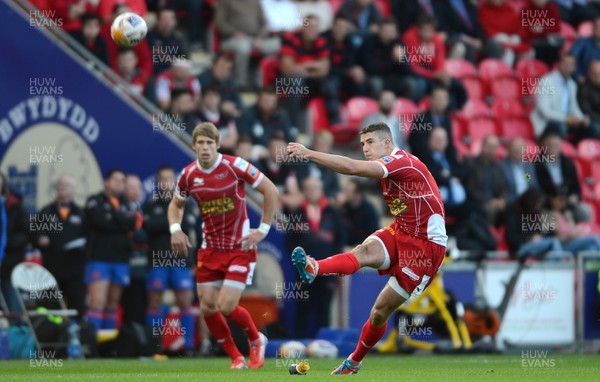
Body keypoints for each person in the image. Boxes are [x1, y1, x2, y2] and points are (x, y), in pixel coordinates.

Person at [286, 122, 447, 374]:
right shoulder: (393, 166)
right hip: (403, 229)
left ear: (387, 143)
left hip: (425, 246)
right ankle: (314, 267)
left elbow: (352, 168)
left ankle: (354, 361)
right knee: (363, 251)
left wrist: (309, 153)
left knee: (379, 312)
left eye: (370, 142)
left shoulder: (400, 162)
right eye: (362, 144)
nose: (365, 149)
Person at [169, 122, 279, 369]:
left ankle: (255, 338)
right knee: (208, 308)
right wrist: (175, 229)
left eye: (210, 143)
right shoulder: (188, 175)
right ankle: (236, 357)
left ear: (217, 145)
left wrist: (263, 229)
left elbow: (269, 189)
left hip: (239, 248)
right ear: (194, 145)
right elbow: (175, 205)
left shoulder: (234, 165)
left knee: (226, 305)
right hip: (210, 250)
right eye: (201, 143)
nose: (205, 147)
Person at [284, 177, 347, 338]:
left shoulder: (332, 212)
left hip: (327, 271)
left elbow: (341, 239)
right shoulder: (297, 213)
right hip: (303, 271)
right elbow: (289, 241)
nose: (312, 192)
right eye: (309, 188)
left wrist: (336, 265)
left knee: (324, 307)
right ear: (304, 191)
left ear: (321, 190)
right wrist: (300, 263)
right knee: (302, 308)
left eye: (315, 188)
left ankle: (322, 344)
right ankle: (298, 345)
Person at [144, 166, 197, 355]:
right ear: (157, 182)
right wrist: (174, 221)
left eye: (170, 178)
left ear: (175, 181)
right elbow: (149, 226)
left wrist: (194, 262)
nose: (166, 182)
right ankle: (153, 346)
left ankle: (189, 347)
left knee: (185, 302)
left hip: (181, 261)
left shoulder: (187, 204)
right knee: (155, 303)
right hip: (158, 261)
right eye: (162, 179)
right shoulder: (150, 205)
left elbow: (192, 229)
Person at [84, 169, 137, 332]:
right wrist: (121, 219)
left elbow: (133, 223)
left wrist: (113, 217)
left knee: (113, 303)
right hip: (99, 259)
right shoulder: (95, 200)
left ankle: (107, 346)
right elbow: (99, 221)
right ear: (106, 181)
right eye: (115, 179)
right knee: (97, 301)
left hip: (121, 259)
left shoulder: (128, 204)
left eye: (122, 180)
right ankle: (91, 344)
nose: (119, 183)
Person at [36, 175, 87, 319]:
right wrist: (40, 238)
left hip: (74, 270)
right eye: (60, 185)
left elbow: (88, 237)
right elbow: (35, 234)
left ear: (73, 189)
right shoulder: (46, 211)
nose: (63, 188)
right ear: (56, 189)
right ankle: (51, 335)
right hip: (52, 269)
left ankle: (74, 335)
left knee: (76, 306)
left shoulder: (81, 213)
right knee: (50, 307)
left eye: (67, 185)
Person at [215, 0, 281, 90]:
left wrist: (260, 37)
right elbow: (220, 23)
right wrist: (234, 33)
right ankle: (240, 84)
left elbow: (265, 24)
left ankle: (260, 83)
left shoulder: (255, 2)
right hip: (231, 38)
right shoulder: (225, 2)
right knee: (243, 47)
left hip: (254, 39)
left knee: (277, 44)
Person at [530, 53, 592, 141]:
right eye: (565, 64)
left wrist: (581, 118)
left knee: (590, 128)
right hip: (546, 123)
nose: (568, 67)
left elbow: (573, 107)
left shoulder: (572, 85)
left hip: (565, 121)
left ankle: (581, 152)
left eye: (571, 64)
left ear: (574, 67)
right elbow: (544, 111)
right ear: (558, 64)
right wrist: (566, 119)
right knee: (561, 126)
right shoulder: (546, 81)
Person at [146, 7, 188, 75]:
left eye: (171, 19)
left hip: (172, 78)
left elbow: (183, 61)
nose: (167, 22)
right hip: (152, 75)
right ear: (158, 21)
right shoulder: (148, 37)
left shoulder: (179, 39)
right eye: (164, 19)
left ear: (175, 22)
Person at [341, 178, 380, 247]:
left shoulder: (369, 210)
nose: (344, 194)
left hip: (363, 248)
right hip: (344, 248)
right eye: (344, 190)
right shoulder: (342, 208)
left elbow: (372, 234)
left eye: (348, 191)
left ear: (358, 195)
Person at [571, 17, 600, 83]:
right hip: (583, 81)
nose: (599, 29)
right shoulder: (583, 42)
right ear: (593, 28)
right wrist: (578, 75)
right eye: (597, 26)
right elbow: (571, 58)